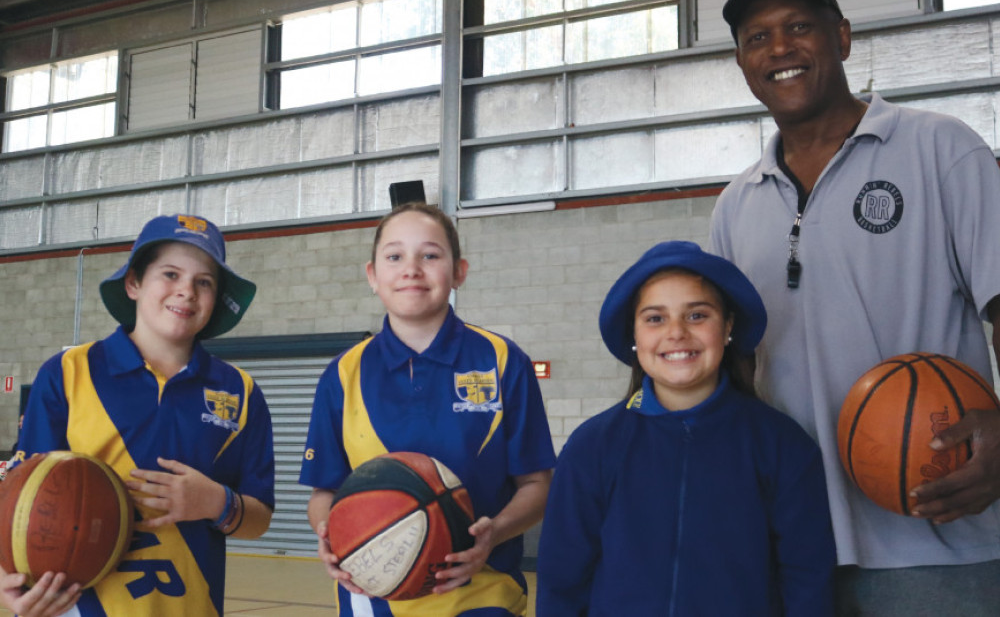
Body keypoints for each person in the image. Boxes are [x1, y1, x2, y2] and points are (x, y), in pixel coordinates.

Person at [711, 0, 1000, 614]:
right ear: (741, 61)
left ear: (841, 38)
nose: (779, 48)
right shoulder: (734, 206)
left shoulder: (940, 150)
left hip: (938, 534)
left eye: (798, 28)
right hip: (792, 544)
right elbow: (732, 368)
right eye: (757, 37)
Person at [535, 240, 835, 615]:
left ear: (727, 327)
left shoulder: (782, 445)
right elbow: (561, 581)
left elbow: (807, 578)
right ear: (634, 336)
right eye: (655, 318)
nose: (676, 332)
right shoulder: (591, 447)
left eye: (696, 315)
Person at [3, 214, 275, 617]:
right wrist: (9, 578)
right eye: (170, 274)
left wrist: (214, 501)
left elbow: (259, 517)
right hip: (78, 607)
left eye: (204, 282)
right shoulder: (68, 372)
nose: (186, 292)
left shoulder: (241, 391)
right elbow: (19, 498)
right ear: (133, 283)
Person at [299, 202, 555, 617]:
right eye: (395, 256)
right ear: (372, 275)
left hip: (481, 592)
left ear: (459, 272)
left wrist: (494, 534)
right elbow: (324, 491)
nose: (411, 268)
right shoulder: (342, 374)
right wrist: (330, 534)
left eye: (430, 255)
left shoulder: (503, 360)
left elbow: (537, 485)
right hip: (373, 594)